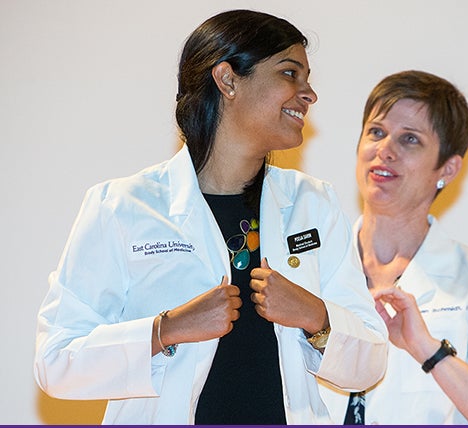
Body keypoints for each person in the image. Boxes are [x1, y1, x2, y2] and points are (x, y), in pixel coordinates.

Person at [34, 10, 387, 424]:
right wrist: (168, 329)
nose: (309, 94)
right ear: (228, 79)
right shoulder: (123, 206)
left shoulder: (313, 203)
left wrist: (313, 315)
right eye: (290, 73)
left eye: (307, 78)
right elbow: (57, 363)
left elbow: (370, 364)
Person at [318, 70, 468, 424]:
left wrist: (428, 351)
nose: (385, 150)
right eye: (376, 132)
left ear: (447, 168)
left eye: (410, 139)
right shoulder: (314, 267)